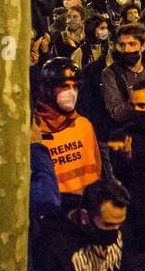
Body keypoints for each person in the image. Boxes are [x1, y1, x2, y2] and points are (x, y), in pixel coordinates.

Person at [35, 56, 104, 205]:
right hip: (54, 218)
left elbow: (98, 170)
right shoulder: (34, 133)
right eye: (65, 86)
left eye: (75, 87)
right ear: (47, 89)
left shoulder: (83, 125)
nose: (72, 93)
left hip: (87, 211)